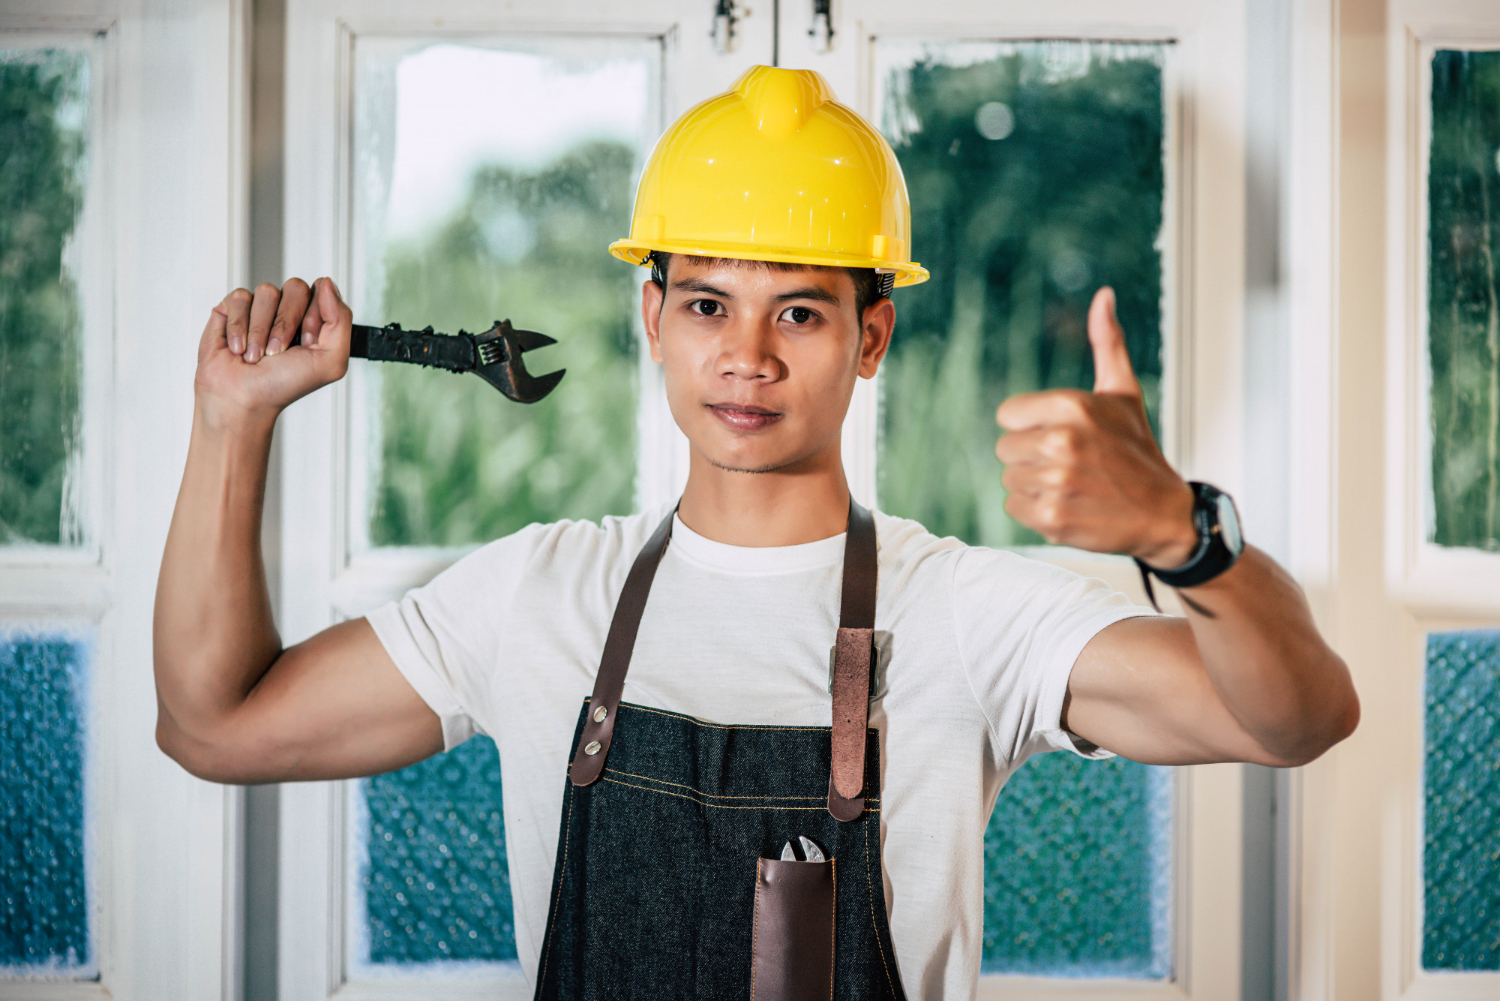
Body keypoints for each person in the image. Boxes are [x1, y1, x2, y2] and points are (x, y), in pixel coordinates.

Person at [154, 66, 1358, 999]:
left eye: (800, 309)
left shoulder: (968, 613)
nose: (747, 354)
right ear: (652, 318)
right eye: (707, 302)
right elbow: (216, 725)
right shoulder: (538, 592)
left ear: (872, 336)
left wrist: (1181, 533)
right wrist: (229, 422)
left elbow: (1296, 716)